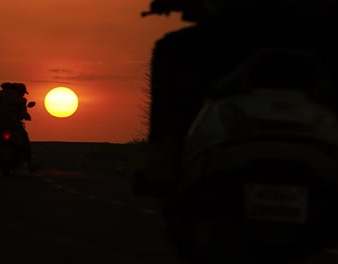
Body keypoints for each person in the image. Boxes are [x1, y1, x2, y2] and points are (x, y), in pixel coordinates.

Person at [136, 0, 338, 258]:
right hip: (307, 35)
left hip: (249, 33)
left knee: (173, 52)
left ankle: (165, 162)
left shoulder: (203, 43)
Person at [0, 82, 32, 161]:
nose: (24, 94)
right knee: (24, 137)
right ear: (21, 91)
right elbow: (22, 112)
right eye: (24, 93)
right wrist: (26, 115)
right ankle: (29, 160)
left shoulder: (1, 97)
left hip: (1, 124)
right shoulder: (21, 100)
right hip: (14, 125)